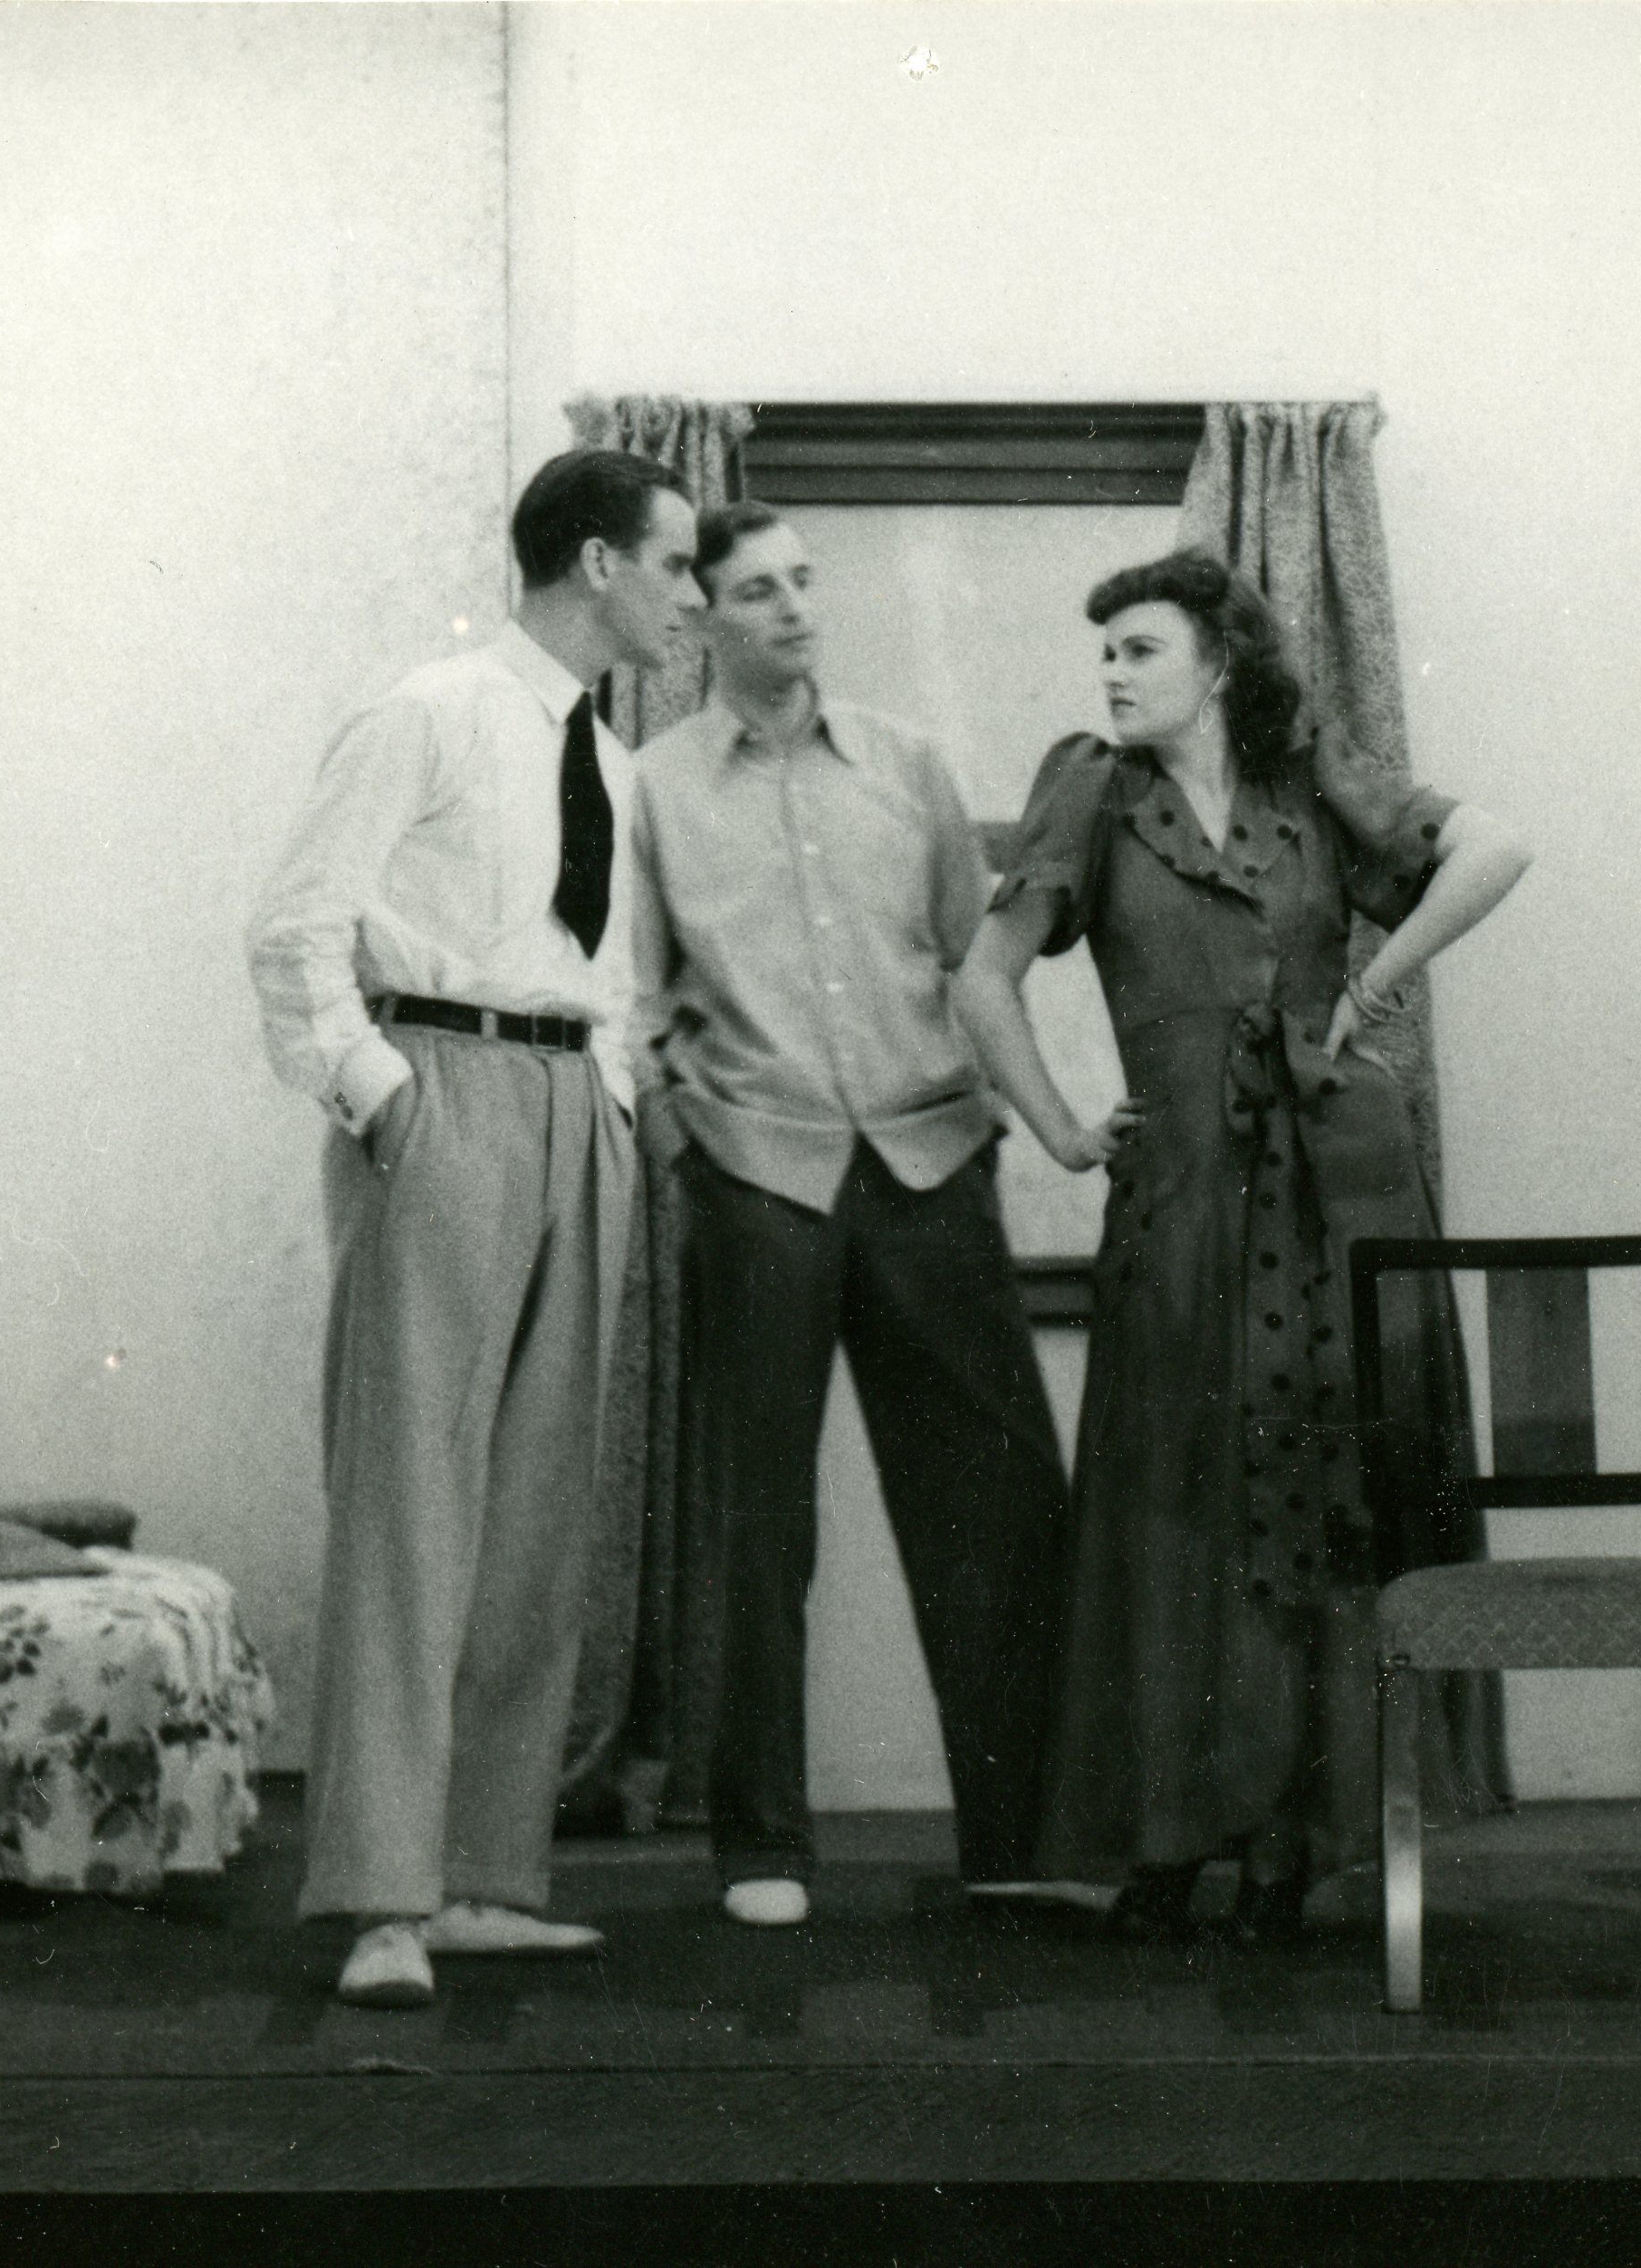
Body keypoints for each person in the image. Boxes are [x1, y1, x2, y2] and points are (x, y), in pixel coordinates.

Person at [959, 549, 1534, 1940]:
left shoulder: (1310, 777)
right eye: (1104, 651)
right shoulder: (1093, 790)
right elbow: (981, 980)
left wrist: (1372, 987)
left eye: (1140, 649)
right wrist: (1059, 1130)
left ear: (1218, 663)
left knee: (1330, 1503)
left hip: (1341, 1189)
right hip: (1182, 1198)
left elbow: (1497, 848)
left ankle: (1298, 1842)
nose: (1111, 673)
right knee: (1174, 1509)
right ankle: (1170, 1835)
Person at [250, 446, 698, 2007]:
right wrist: (385, 1099)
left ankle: (481, 1879)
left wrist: (612, 1106)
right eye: (675, 565)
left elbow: (605, 973)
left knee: (535, 1517)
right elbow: (296, 926)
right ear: (597, 563)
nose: (691, 598)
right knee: (410, 1507)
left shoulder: (612, 763)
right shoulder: (424, 714)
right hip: (441, 1091)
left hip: (577, 1109)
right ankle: (380, 1898)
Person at [619, 503, 1079, 1929]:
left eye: (804, 582)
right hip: (758, 1178)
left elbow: (970, 963)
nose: (795, 608)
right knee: (758, 1524)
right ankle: (762, 1843)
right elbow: (634, 1007)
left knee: (998, 1508)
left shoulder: (907, 765)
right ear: (700, 619)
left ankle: (1023, 1836)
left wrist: (1014, 1125)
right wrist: (692, 1140)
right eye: (758, 589)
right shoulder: (650, 790)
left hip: (930, 1165)